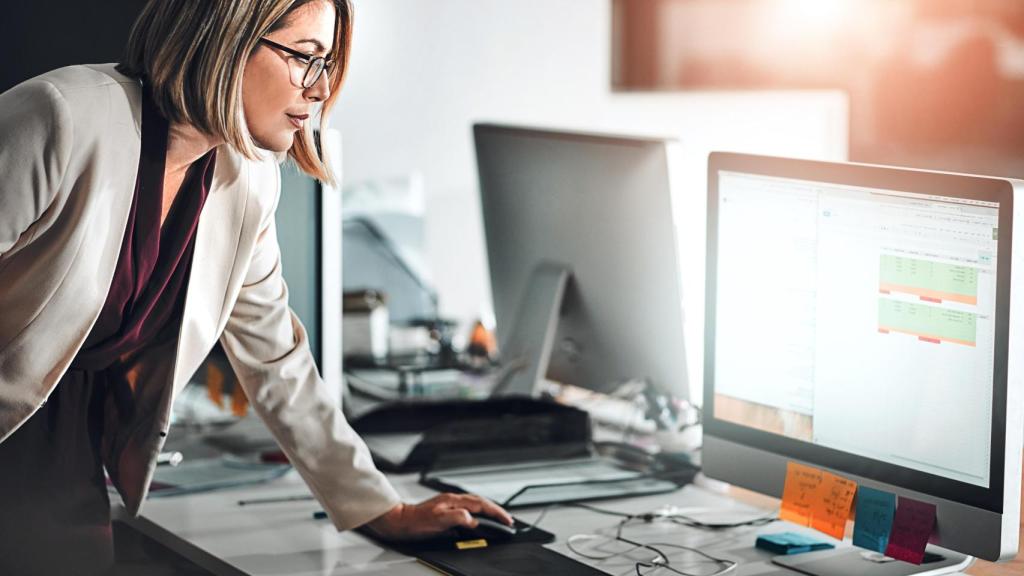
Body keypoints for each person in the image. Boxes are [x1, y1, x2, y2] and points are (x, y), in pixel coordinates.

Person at [0, 1, 510, 574]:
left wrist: (381, 508)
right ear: (229, 38)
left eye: (329, 66)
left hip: (62, 461)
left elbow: (276, 359)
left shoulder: (246, 177)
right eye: (306, 59)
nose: (319, 92)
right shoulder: (60, 118)